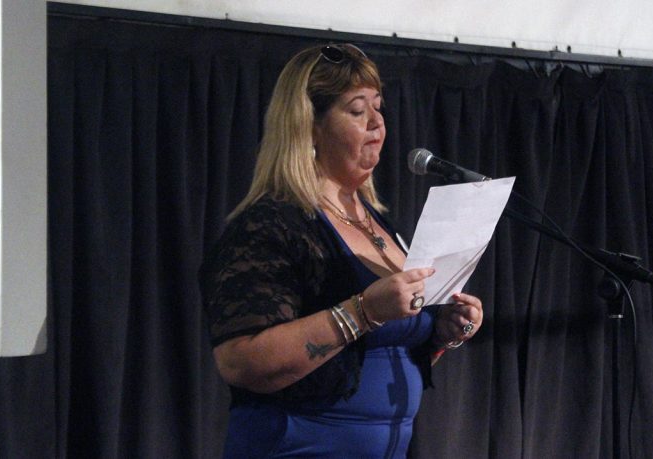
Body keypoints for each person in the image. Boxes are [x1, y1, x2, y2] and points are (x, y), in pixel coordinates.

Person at [199, 43, 484, 458]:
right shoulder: (272, 225)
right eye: (357, 110)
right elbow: (241, 362)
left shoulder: (381, 225)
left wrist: (440, 334)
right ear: (309, 127)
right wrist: (363, 311)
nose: (377, 122)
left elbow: (386, 352)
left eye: (378, 107)